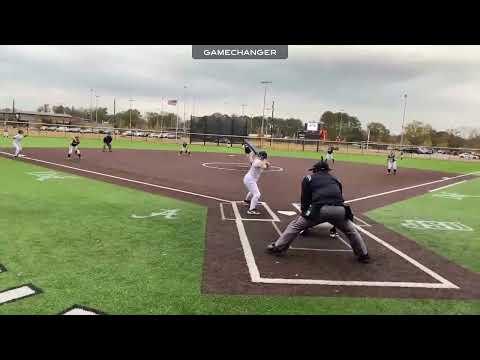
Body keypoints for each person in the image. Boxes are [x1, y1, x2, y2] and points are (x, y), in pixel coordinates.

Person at [267, 158, 370, 263]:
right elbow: (339, 196)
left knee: (295, 225)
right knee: (351, 231)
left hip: (320, 210)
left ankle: (278, 247)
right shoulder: (335, 179)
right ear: (327, 170)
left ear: (315, 170)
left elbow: (305, 199)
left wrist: (305, 214)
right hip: (340, 210)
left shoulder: (309, 178)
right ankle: (363, 255)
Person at [243, 150, 270, 215]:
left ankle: (247, 200)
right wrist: (266, 162)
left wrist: (251, 156)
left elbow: (252, 162)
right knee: (257, 194)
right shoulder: (259, 162)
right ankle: (251, 210)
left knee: (252, 191)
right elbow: (265, 166)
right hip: (250, 180)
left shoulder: (258, 160)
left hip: (249, 179)